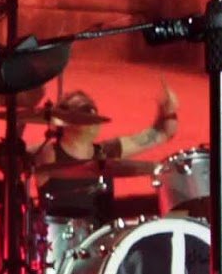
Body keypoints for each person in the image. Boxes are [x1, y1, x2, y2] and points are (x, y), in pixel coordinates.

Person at [29, 83, 179, 221]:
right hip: (59, 236)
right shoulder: (47, 154)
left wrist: (169, 110)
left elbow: (163, 133)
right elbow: (16, 155)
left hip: (102, 237)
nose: (91, 119)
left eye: (92, 111)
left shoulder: (105, 151)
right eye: (83, 111)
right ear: (62, 121)